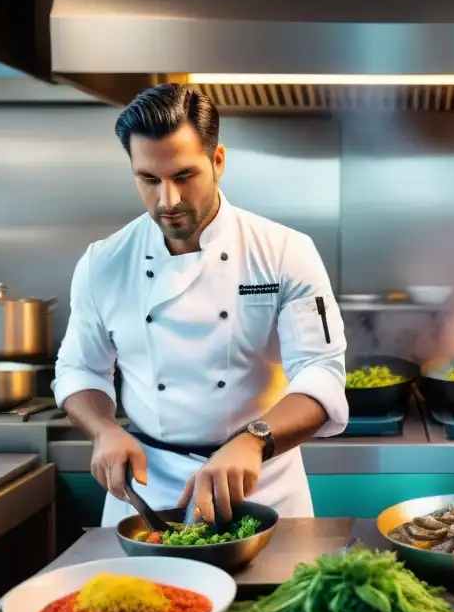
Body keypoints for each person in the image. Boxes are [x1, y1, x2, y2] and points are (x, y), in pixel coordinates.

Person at [53, 83, 348, 527]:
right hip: (148, 493)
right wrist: (105, 430)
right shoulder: (105, 262)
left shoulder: (285, 251)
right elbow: (80, 370)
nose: (166, 201)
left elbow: (320, 372)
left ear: (218, 161)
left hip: (263, 483)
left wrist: (254, 440)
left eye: (183, 176)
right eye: (149, 180)